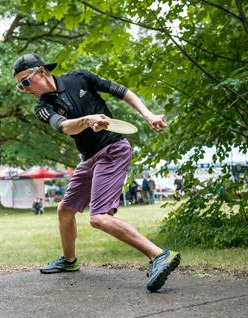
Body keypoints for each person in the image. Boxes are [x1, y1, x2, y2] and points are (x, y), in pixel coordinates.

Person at [13, 53, 180, 292]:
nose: (24, 89)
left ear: (40, 71)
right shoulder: (42, 107)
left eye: (25, 82)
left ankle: (160, 255)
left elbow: (122, 91)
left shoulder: (79, 77)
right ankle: (69, 261)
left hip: (113, 148)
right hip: (89, 158)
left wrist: (148, 114)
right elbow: (64, 126)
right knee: (65, 210)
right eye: (20, 87)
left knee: (99, 217)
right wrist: (86, 120)